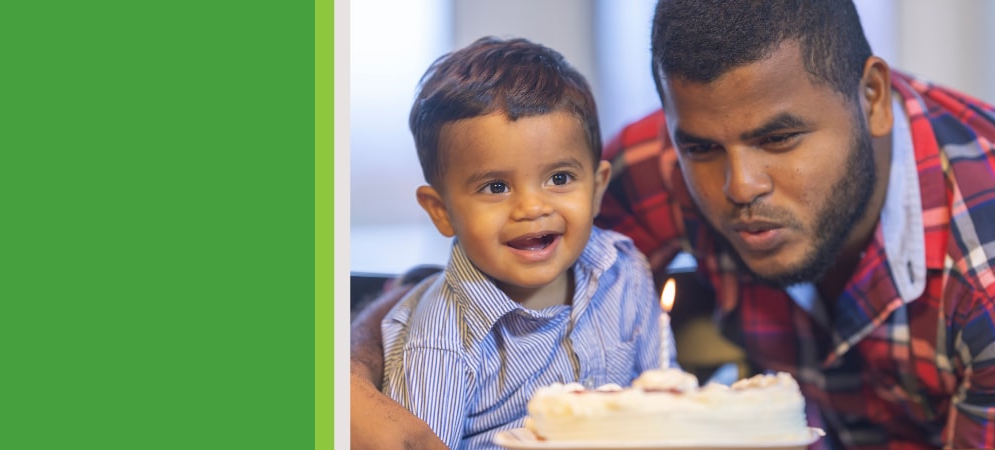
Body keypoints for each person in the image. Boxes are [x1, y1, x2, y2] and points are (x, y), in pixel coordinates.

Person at [350, 1, 995, 449]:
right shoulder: (656, 167)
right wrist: (347, 381)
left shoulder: (982, 268)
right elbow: (472, 269)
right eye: (702, 148)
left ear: (872, 98)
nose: (740, 186)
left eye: (780, 138)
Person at [378, 36, 671, 450]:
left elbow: (666, 403)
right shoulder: (441, 342)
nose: (533, 207)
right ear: (440, 210)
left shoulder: (623, 271)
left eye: (560, 178)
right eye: (496, 186)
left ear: (598, 187)